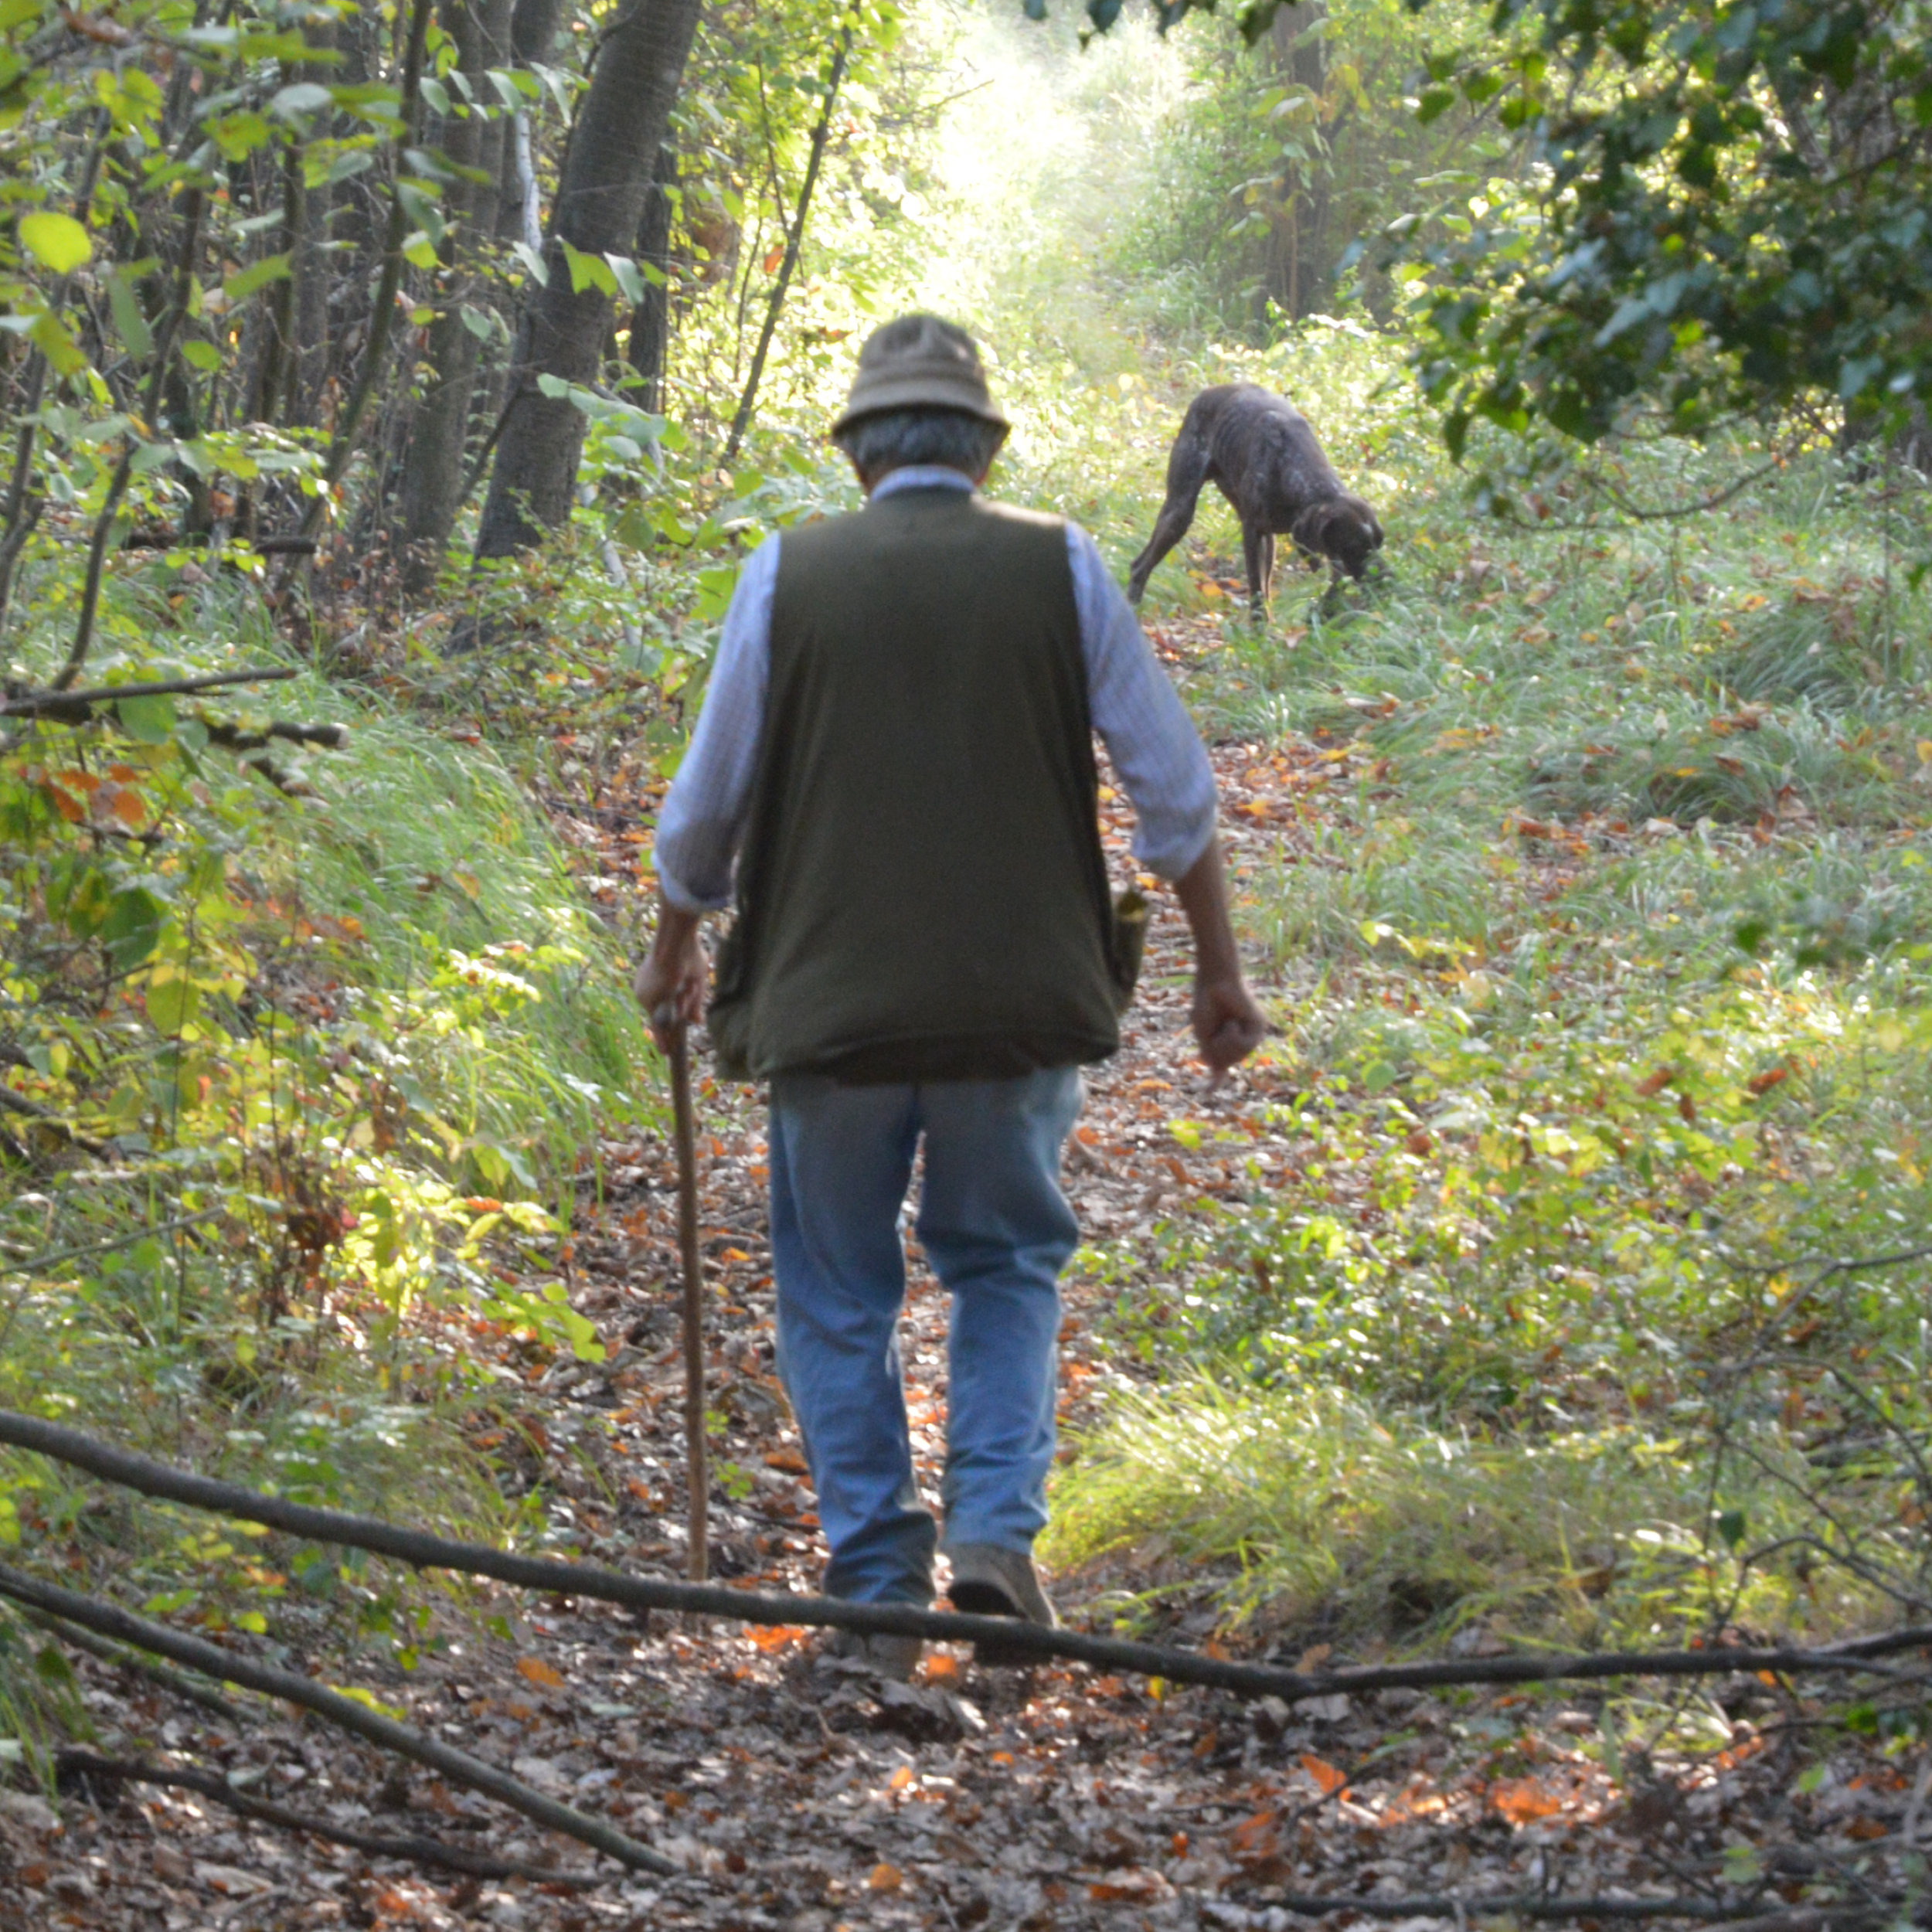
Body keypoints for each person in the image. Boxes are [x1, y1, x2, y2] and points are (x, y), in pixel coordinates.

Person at [634, 314, 1265, 1677]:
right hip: (1016, 1008)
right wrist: (1219, 970)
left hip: (826, 1015)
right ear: (980, 447)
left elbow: (704, 810)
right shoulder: (1064, 566)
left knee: (836, 1292)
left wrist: (675, 943)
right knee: (1006, 1265)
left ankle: (872, 1580)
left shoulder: (785, 575)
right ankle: (990, 1539)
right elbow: (1175, 788)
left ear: (861, 451)